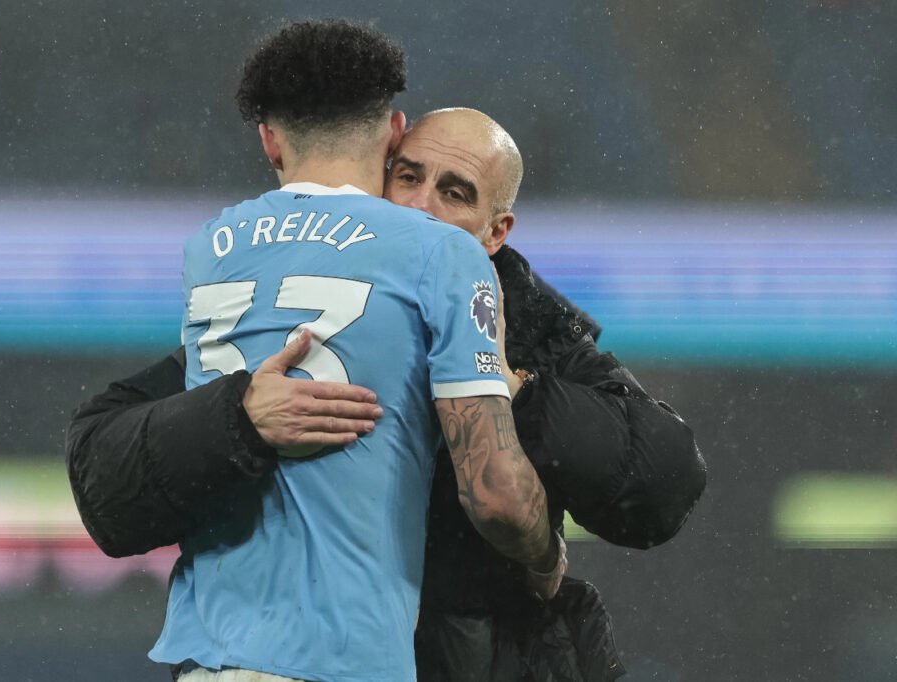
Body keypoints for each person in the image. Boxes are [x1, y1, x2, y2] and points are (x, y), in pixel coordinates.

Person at [66, 95, 705, 682]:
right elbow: (105, 480)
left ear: (495, 232)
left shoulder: (530, 328)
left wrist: (508, 386)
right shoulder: (298, 312)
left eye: (454, 193)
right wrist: (236, 415)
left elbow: (663, 485)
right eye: (408, 176)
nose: (422, 205)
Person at [137, 20, 564, 682]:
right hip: (340, 659)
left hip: (210, 656)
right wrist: (545, 558)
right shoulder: (441, 251)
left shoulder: (211, 247)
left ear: (269, 139)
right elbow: (496, 494)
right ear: (395, 130)